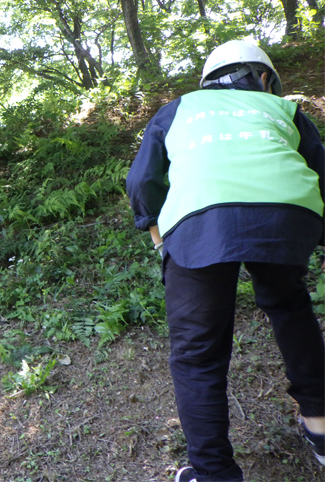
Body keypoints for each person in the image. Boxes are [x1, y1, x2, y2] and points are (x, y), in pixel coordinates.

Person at [126, 40, 325, 482]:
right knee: (291, 309)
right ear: (264, 78)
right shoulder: (285, 111)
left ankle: (213, 474)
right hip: (287, 214)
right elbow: (320, 175)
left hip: (198, 220)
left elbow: (142, 181)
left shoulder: (179, 108)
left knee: (197, 353)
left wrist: (159, 237)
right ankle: (322, 430)